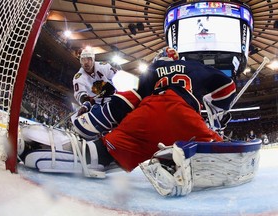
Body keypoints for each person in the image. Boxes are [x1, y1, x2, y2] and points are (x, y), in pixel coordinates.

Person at [18, 47, 256, 197]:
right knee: (220, 150)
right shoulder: (196, 67)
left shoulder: (152, 70)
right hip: (188, 118)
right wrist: (216, 114)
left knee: (99, 155)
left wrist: (94, 119)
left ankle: (46, 149)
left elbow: (133, 99)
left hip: (149, 115)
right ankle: (175, 161)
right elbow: (227, 88)